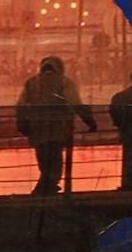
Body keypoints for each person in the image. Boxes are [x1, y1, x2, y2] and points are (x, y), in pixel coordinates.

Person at [15, 56, 97, 195]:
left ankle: (45, 187)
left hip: (37, 127)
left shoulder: (31, 83)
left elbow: (20, 105)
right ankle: (48, 186)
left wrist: (21, 123)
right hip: (59, 126)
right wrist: (89, 121)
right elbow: (75, 103)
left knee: (43, 157)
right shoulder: (64, 82)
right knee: (56, 157)